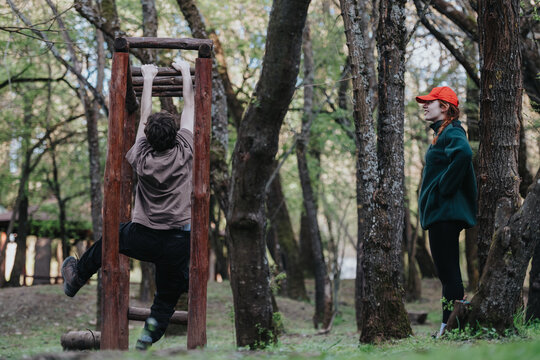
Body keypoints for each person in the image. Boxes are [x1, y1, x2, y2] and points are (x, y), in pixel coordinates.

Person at [61, 60, 195, 350]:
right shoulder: (185, 150)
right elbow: (189, 107)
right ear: (175, 136)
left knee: (111, 238)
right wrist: (185, 71)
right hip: (179, 239)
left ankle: (77, 277)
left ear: (147, 136)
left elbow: (144, 113)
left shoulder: (141, 158)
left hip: (145, 235)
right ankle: (148, 336)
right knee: (167, 295)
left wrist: (148, 78)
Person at [416, 86, 477, 338]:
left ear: (444, 107)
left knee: (448, 271)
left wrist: (444, 188)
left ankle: (452, 328)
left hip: (445, 213)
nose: (425, 106)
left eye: (430, 102)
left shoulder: (452, 131)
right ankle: (447, 326)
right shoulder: (443, 133)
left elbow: (463, 154)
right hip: (442, 213)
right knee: (447, 272)